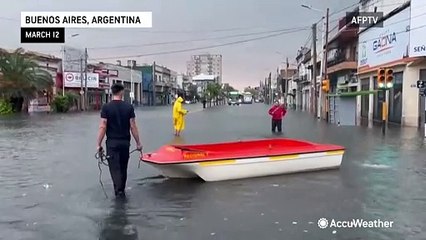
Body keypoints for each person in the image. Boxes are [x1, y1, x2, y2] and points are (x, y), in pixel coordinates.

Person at [96, 83, 142, 198]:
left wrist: (98, 144)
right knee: (123, 167)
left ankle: (118, 191)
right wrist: (138, 143)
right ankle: (121, 189)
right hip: (125, 143)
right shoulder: (128, 107)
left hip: (112, 143)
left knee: (114, 168)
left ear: (112, 92)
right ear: (122, 92)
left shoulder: (106, 107)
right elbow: (133, 126)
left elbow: (103, 126)